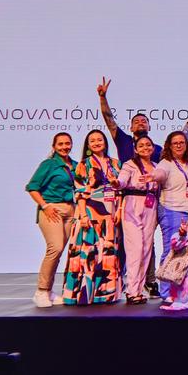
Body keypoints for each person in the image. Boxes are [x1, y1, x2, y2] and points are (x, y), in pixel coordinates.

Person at [64, 129, 122, 305]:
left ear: (105, 142)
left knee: (108, 254)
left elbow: (121, 190)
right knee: (88, 253)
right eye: (92, 141)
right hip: (89, 214)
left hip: (110, 215)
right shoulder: (84, 164)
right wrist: (82, 215)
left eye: (99, 139)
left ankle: (105, 294)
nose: (96, 143)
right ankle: (82, 295)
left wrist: (119, 210)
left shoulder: (116, 163)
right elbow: (80, 192)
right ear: (88, 146)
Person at [150, 131, 188, 300]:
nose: (179, 145)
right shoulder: (166, 163)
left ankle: (183, 290)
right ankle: (166, 291)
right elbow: (160, 174)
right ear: (169, 145)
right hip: (172, 210)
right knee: (171, 250)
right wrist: (153, 176)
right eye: (175, 143)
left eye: (182, 142)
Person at [26, 132, 78, 308]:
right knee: (54, 248)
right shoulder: (49, 164)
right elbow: (32, 187)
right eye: (60, 144)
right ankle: (40, 291)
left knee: (61, 251)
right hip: (52, 209)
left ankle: (49, 291)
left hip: (71, 210)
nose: (64, 147)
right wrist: (45, 206)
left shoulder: (75, 165)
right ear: (54, 146)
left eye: (67, 143)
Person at [116, 135, 161, 304]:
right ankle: (131, 290)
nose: (145, 148)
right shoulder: (130, 164)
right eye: (141, 145)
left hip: (151, 205)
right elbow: (122, 180)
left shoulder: (157, 167)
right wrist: (117, 183)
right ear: (135, 149)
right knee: (135, 248)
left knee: (146, 250)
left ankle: (139, 290)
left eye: (148, 145)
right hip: (132, 204)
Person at [97, 77, 163, 163]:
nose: (140, 123)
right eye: (136, 122)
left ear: (149, 127)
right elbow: (108, 118)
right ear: (131, 128)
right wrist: (102, 97)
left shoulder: (158, 149)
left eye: (144, 121)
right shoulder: (124, 140)